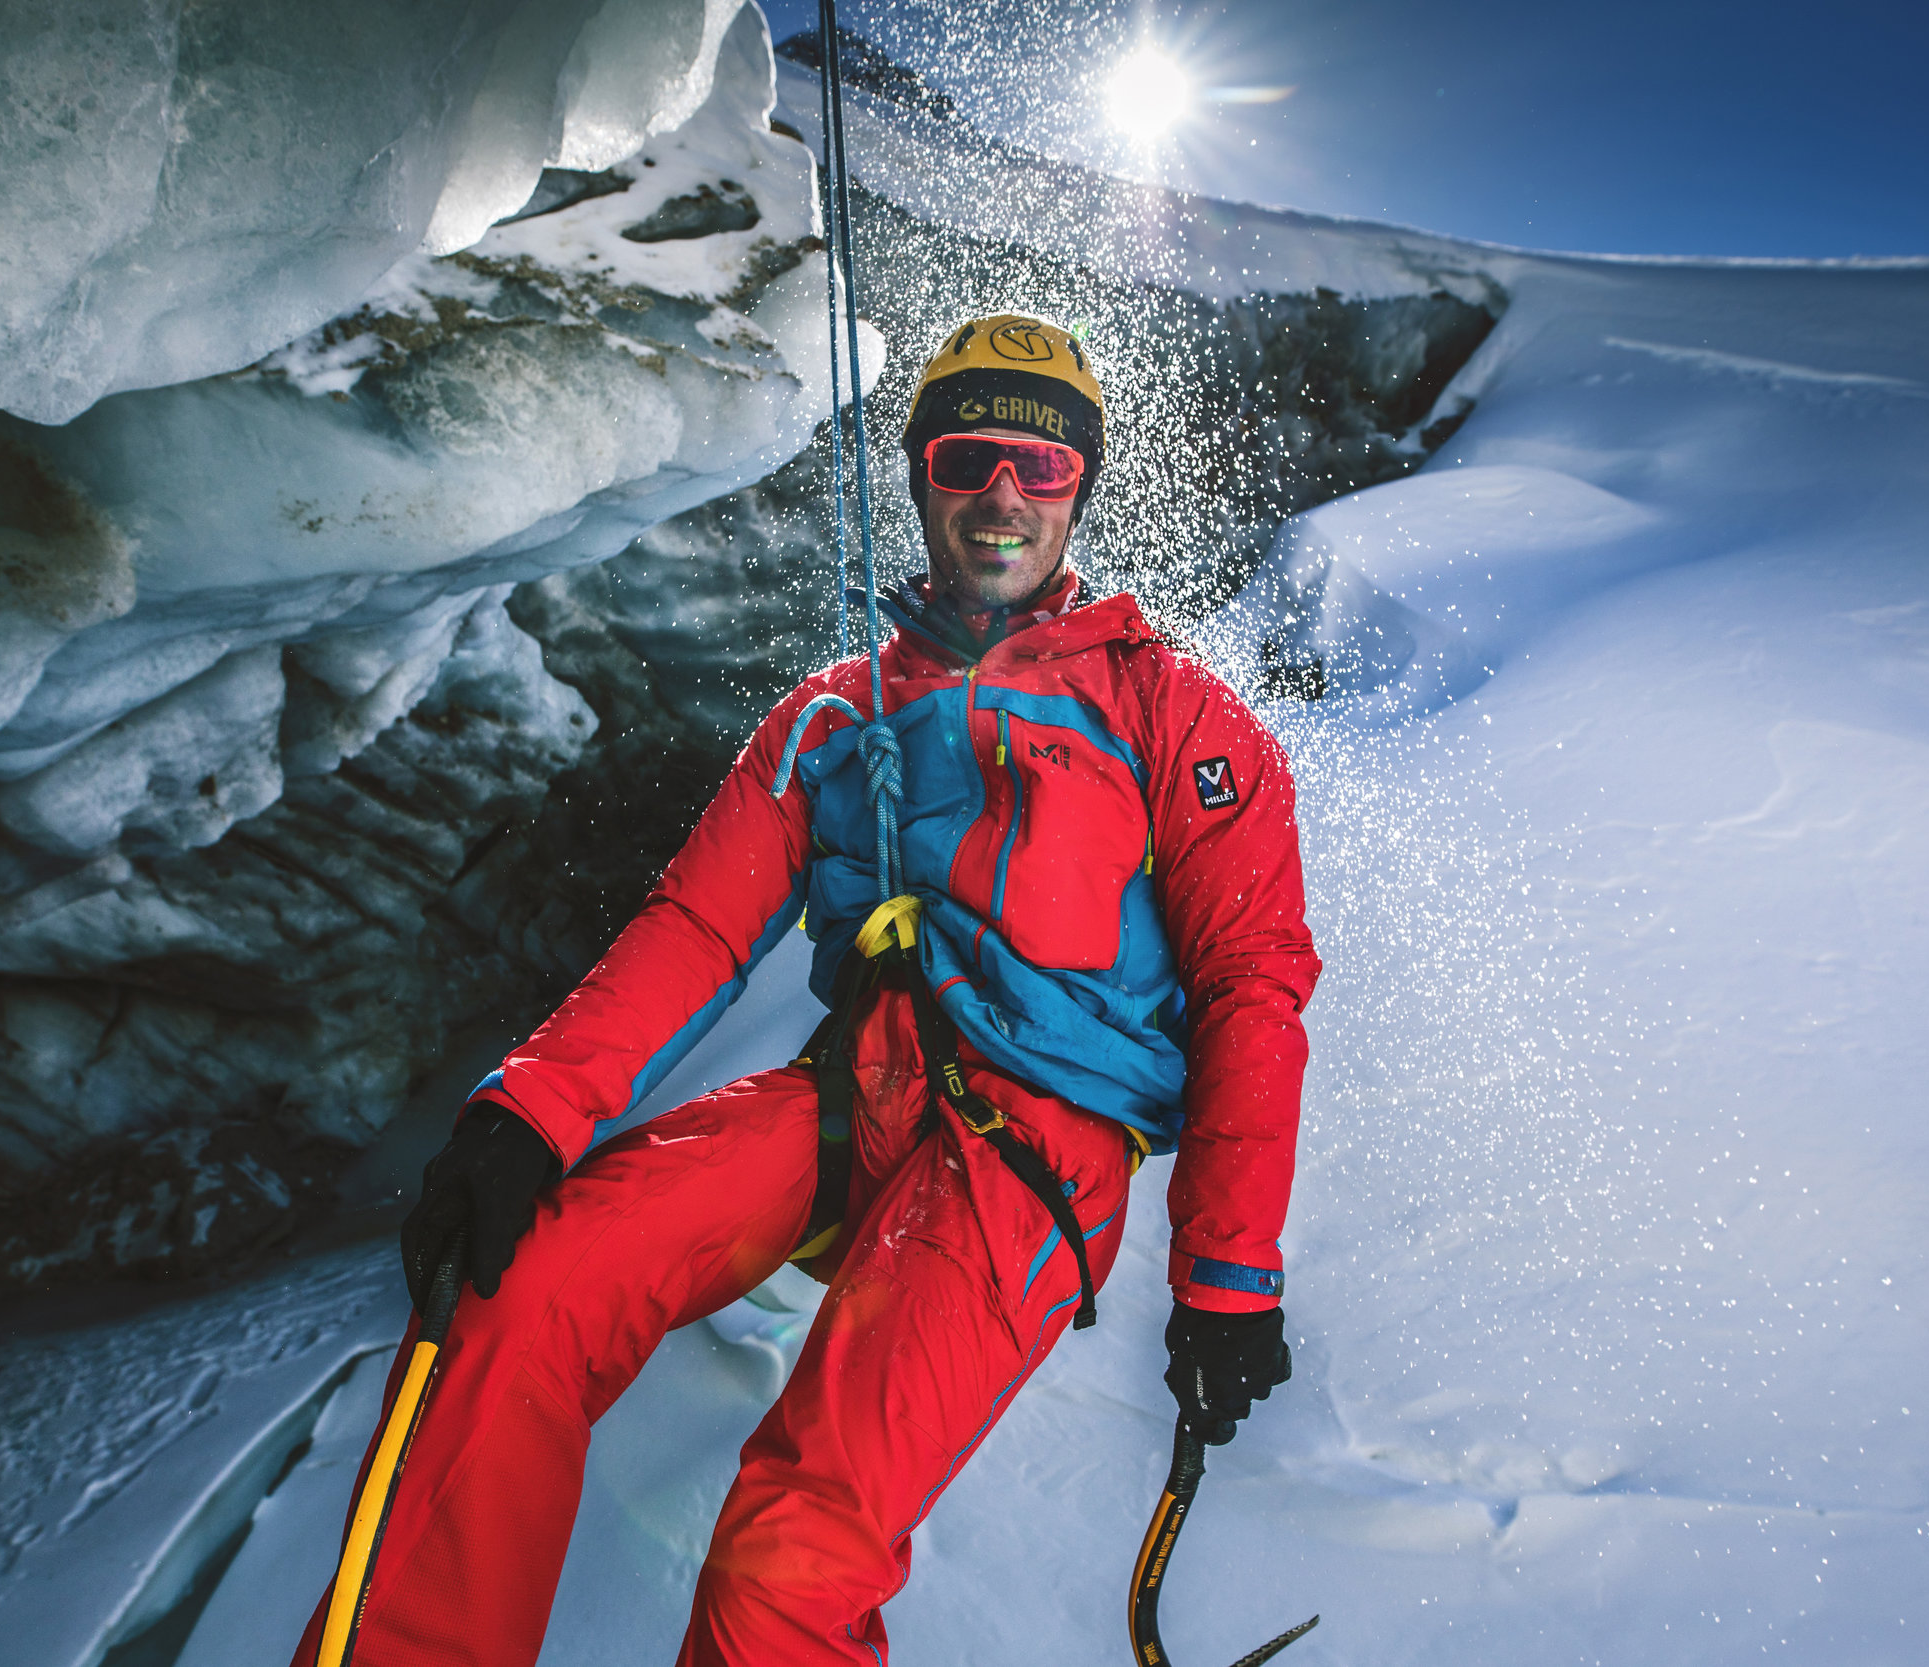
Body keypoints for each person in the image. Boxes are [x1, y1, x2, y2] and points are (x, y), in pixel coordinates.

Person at [292, 313, 1319, 1666]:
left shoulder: (1177, 716)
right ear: (921, 476)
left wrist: (1229, 1278)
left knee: (792, 1556)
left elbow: (1252, 981)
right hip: (848, 1101)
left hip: (1028, 1158)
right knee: (520, 1292)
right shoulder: (834, 715)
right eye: (967, 457)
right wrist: (526, 1115)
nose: (1004, 494)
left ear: (1082, 488)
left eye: (1042, 465)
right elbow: (696, 928)